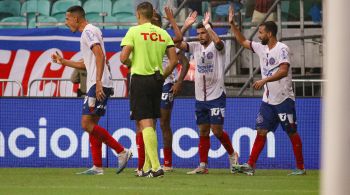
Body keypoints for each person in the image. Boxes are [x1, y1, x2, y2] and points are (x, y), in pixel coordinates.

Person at [51, 5, 132, 175]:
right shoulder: (90, 32)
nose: (66, 23)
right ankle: (97, 167)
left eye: (67, 19)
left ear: (76, 18)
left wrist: (98, 82)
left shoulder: (88, 31)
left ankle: (122, 151)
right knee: (92, 124)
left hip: (99, 84)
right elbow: (86, 64)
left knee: (86, 124)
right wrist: (63, 61)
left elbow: (100, 56)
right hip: (99, 82)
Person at [228, 5, 305, 176]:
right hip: (268, 100)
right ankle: (250, 165)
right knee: (261, 131)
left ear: (269, 34)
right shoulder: (261, 48)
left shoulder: (282, 49)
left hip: (284, 99)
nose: (258, 35)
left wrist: (264, 80)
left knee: (291, 132)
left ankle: (300, 167)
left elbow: (284, 70)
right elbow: (242, 41)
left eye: (261, 33)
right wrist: (233, 24)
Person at [176, 11, 239, 175]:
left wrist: (208, 26)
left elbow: (217, 42)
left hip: (216, 95)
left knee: (216, 130)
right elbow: (176, 43)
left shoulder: (219, 46)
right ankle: (203, 165)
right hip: (200, 97)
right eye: (198, 33)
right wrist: (185, 26)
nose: (200, 36)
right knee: (203, 130)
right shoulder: (195, 47)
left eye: (203, 33)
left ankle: (233, 155)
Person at [120, 2, 178, 178]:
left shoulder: (134, 31)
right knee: (150, 123)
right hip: (157, 80)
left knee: (144, 123)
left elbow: (123, 58)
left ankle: (156, 166)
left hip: (140, 79)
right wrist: (162, 74)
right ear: (152, 14)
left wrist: (132, 63)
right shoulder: (163, 33)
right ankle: (146, 167)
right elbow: (174, 61)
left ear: (138, 14)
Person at [134, 7, 189, 174]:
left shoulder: (163, 37)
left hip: (164, 83)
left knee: (163, 123)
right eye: (153, 18)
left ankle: (167, 163)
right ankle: (144, 164)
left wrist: (178, 81)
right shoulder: (144, 37)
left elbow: (183, 60)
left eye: (156, 19)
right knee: (144, 124)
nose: (153, 22)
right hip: (149, 81)